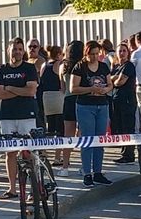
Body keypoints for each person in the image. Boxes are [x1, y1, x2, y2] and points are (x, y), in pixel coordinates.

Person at [0, 37, 38, 199]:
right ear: (8, 50)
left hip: (27, 115)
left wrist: (11, 88)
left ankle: (33, 188)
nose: (17, 52)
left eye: (20, 49)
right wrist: (20, 89)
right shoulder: (1, 69)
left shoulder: (29, 68)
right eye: (14, 49)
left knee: (28, 152)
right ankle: (12, 188)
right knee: (10, 153)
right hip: (7, 116)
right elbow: (0, 95)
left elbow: (31, 91)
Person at [70, 40, 114, 187]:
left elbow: (110, 83)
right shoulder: (79, 67)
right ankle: (87, 172)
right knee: (88, 140)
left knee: (100, 140)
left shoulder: (103, 66)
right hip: (85, 106)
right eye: (92, 54)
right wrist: (91, 89)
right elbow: (73, 88)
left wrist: (105, 90)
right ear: (86, 54)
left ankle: (98, 171)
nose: (95, 57)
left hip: (102, 105)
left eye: (97, 54)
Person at [57, 40, 84, 172]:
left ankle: (65, 166)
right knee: (83, 133)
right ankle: (84, 166)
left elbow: (61, 87)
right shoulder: (82, 65)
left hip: (68, 99)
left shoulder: (63, 66)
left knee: (68, 134)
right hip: (82, 99)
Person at [110, 42, 139, 164]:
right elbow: (109, 80)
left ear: (128, 53)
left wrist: (113, 79)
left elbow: (119, 82)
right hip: (117, 100)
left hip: (127, 100)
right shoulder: (116, 67)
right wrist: (113, 78)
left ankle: (129, 154)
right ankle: (123, 153)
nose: (121, 53)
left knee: (128, 127)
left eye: (124, 51)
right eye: (120, 51)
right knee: (120, 127)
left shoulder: (129, 66)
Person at [40, 45, 66, 166]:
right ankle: (57, 157)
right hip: (57, 96)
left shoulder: (44, 65)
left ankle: (45, 152)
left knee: (50, 126)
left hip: (46, 97)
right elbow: (62, 82)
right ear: (59, 54)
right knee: (60, 128)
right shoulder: (59, 65)